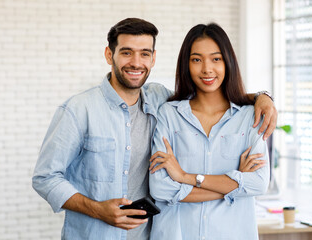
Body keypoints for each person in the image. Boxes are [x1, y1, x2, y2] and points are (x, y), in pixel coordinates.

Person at [32, 18, 276, 240]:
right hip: (94, 234)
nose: (136, 63)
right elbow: (45, 178)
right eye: (126, 53)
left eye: (144, 54)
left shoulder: (160, 100)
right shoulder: (78, 109)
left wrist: (261, 97)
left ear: (153, 58)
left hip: (146, 235)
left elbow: (210, 94)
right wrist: (98, 210)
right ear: (109, 55)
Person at [149, 22, 270, 240]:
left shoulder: (249, 117)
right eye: (197, 59)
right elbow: (160, 188)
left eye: (216, 59)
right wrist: (234, 183)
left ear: (228, 62)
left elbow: (259, 183)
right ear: (186, 64)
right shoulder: (168, 114)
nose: (207, 69)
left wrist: (186, 177)